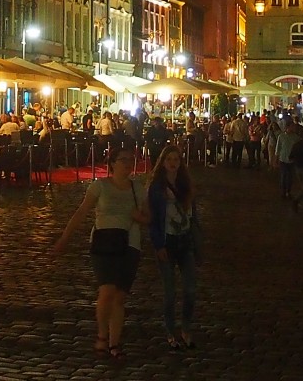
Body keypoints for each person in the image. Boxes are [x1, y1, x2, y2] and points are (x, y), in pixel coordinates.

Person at [52, 145, 147, 360]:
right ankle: (102, 335)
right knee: (107, 290)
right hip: (103, 242)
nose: (127, 164)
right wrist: (64, 238)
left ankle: (115, 343)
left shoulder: (137, 189)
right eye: (123, 159)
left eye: (130, 160)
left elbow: (149, 217)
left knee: (120, 296)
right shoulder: (100, 186)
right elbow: (82, 212)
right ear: (112, 163)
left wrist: (138, 217)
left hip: (130, 244)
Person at [146, 144, 199, 350]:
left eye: (176, 159)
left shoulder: (186, 184)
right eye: (169, 160)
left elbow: (192, 214)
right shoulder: (157, 188)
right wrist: (158, 244)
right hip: (167, 241)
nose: (173, 163)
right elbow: (154, 219)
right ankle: (170, 331)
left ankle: (185, 327)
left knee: (190, 290)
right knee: (170, 293)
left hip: (185, 241)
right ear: (163, 162)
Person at [275, 118, 299, 199]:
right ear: (287, 127)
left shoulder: (296, 137)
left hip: (292, 160)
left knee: (290, 177)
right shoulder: (281, 136)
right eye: (292, 126)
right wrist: (276, 159)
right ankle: (283, 191)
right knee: (283, 176)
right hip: (283, 159)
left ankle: (288, 191)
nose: (293, 128)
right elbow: (278, 149)